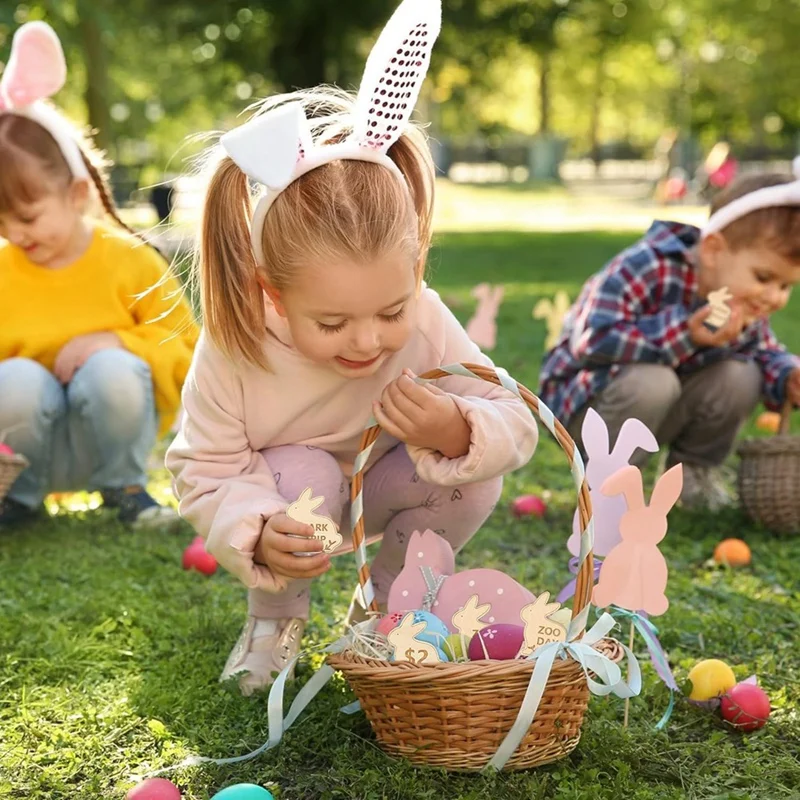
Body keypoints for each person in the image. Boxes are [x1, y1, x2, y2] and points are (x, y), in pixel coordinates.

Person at [166, 0, 538, 695]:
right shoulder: (238, 344)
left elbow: (514, 418)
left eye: (389, 310)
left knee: (473, 470)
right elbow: (203, 465)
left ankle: (391, 612)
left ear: (418, 267)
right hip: (293, 503)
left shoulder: (424, 318)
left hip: (391, 486)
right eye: (332, 324)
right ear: (271, 293)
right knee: (303, 468)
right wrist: (254, 526)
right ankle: (275, 622)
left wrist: (456, 426)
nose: (368, 341)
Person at [0, 22, 198, 530]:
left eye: (26, 216)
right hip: (21, 454)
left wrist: (115, 340)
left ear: (75, 194)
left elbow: (187, 346)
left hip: (108, 440)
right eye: (0, 221)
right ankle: (16, 503)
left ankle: (127, 491)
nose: (14, 234)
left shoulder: (126, 258)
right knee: (15, 378)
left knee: (113, 368)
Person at [539, 167, 800, 510]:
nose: (774, 297)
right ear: (713, 250)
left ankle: (692, 477)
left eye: (785, 286)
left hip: (661, 409)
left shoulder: (740, 300)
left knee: (742, 374)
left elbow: (763, 352)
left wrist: (787, 374)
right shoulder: (647, 267)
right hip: (585, 407)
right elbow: (592, 339)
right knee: (654, 380)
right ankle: (608, 489)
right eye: (764, 277)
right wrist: (685, 333)